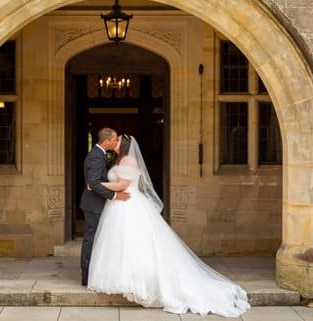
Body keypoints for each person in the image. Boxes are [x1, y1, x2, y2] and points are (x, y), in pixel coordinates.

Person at [87, 134, 251, 318]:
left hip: (129, 204)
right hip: (117, 207)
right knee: (119, 243)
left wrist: (97, 185)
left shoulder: (130, 160)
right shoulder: (118, 160)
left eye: (117, 141)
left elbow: (123, 185)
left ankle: (140, 283)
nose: (114, 143)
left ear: (124, 144)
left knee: (136, 243)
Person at [79, 127, 130, 286]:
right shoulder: (95, 156)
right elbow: (93, 183)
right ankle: (86, 276)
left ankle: (97, 273)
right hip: (94, 205)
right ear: (107, 141)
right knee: (91, 239)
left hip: (99, 203)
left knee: (99, 239)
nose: (116, 142)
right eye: (115, 139)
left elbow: (94, 183)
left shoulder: (102, 155)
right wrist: (114, 195)